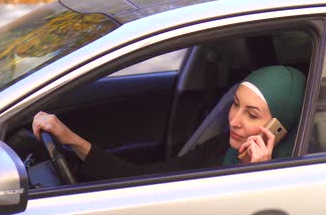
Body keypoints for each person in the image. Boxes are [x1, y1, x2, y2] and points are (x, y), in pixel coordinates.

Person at [32, 65, 306, 182]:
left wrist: (259, 175)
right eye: (235, 104)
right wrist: (71, 139)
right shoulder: (224, 146)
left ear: (279, 126)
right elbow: (143, 179)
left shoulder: (300, 175)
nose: (234, 120)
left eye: (252, 114)